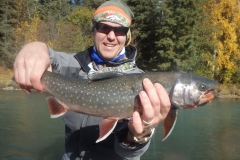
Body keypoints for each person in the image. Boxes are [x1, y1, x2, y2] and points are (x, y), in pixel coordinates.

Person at [13, 0, 171, 159]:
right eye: (104, 28)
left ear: (127, 36)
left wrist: (138, 136)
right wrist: (35, 47)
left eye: (120, 30)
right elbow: (47, 55)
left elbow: (127, 153)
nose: (111, 36)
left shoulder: (143, 85)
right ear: (93, 30)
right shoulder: (70, 64)